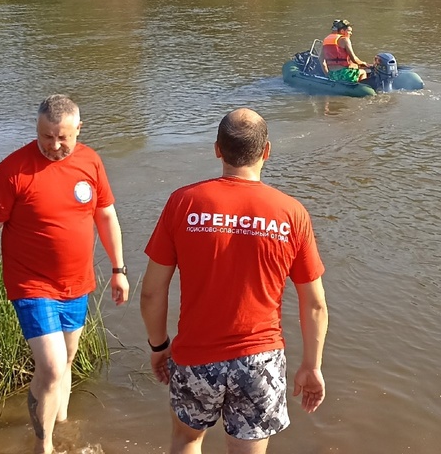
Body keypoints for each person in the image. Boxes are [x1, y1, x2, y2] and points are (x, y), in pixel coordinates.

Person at [141, 108, 329, 454]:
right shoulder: (291, 213)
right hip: (260, 359)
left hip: (196, 355)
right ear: (266, 151)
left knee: (186, 440)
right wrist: (312, 365)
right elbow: (315, 303)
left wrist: (158, 345)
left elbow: (152, 292)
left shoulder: (183, 203)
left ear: (217, 149)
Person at [0, 95, 129, 454]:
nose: (54, 145)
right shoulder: (12, 171)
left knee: (68, 361)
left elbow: (106, 216)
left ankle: (63, 427)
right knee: (53, 367)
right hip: (31, 285)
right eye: (46, 136)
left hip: (77, 283)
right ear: (37, 129)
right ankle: (44, 448)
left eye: (62, 137)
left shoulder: (91, 162)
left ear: (78, 130)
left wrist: (118, 270)